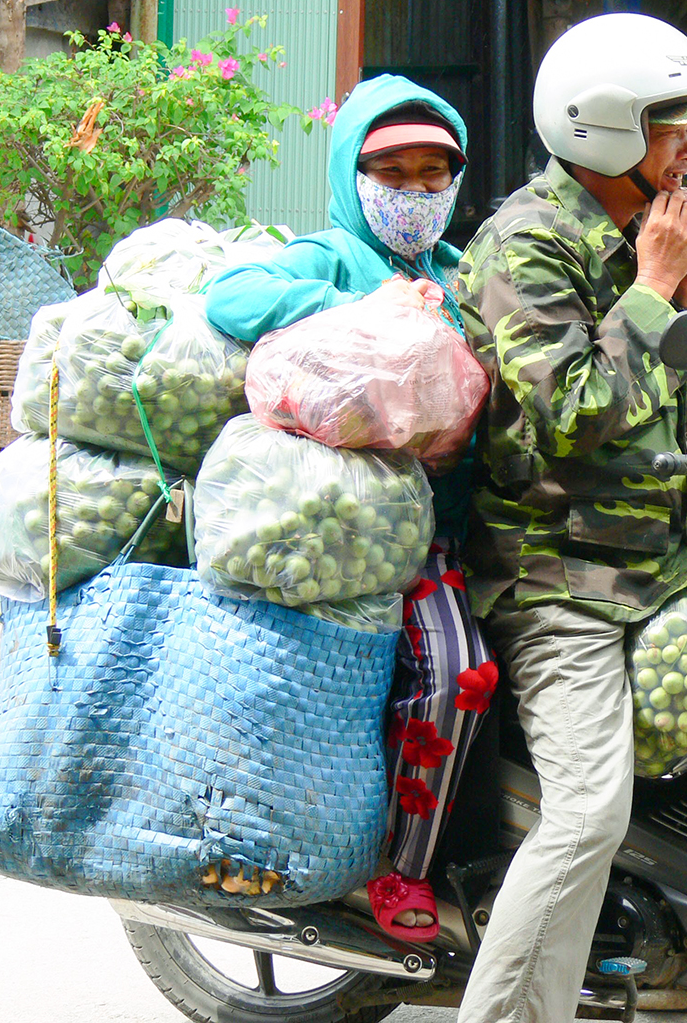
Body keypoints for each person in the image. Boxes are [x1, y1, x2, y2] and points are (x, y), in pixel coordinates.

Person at [452, 13, 687, 1023]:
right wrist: (657, 291)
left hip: (649, 561)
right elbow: (573, 417)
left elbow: (681, 421)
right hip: (555, 579)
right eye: (675, 130)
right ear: (606, 132)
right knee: (587, 813)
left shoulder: (634, 236)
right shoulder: (524, 247)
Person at [204, 75, 493, 943]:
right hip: (360, 541)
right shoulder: (326, 256)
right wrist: (358, 309)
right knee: (457, 673)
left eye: (431, 175)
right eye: (391, 172)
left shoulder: (462, 270)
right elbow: (232, 297)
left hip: (454, 525)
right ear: (352, 175)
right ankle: (401, 868)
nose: (412, 193)